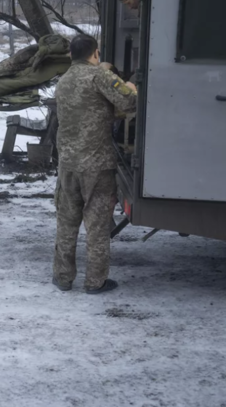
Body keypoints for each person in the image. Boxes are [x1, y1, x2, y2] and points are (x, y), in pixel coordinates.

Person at [52, 34, 137, 294]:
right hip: (96, 166)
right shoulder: (98, 76)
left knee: (67, 222)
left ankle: (63, 277)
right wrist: (131, 83)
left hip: (67, 163)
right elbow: (129, 101)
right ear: (96, 54)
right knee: (97, 225)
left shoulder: (63, 80)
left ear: (71, 55)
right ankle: (95, 281)